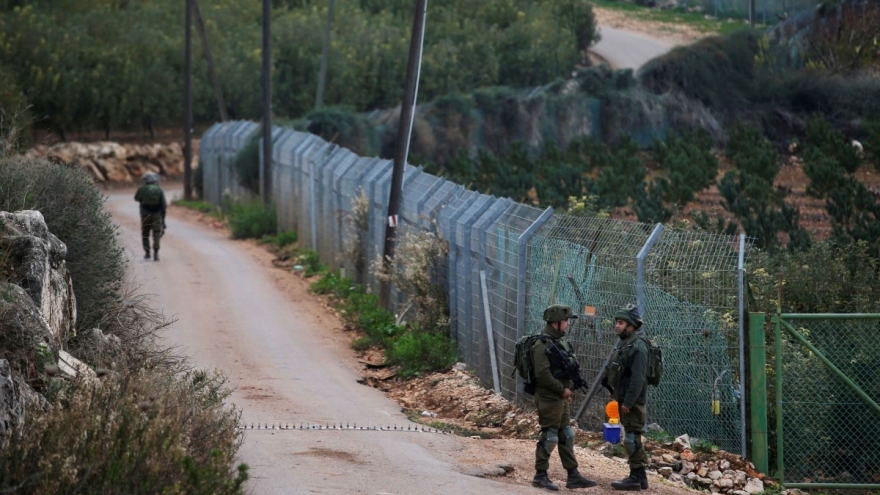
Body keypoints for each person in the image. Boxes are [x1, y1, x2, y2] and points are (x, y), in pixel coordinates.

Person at [531, 304, 598, 491]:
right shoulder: (541, 344)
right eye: (566, 321)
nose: (568, 324)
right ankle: (540, 475)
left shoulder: (560, 343)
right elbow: (542, 374)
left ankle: (573, 475)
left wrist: (566, 390)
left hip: (560, 397)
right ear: (556, 322)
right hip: (548, 397)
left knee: (567, 435)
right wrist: (562, 390)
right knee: (550, 436)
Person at [607, 304, 649, 491]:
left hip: (633, 402)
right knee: (632, 437)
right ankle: (640, 478)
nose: (617, 326)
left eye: (621, 323)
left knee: (632, 438)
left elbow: (638, 378)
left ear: (631, 326)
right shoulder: (626, 345)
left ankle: (635, 478)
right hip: (625, 399)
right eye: (617, 322)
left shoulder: (638, 347)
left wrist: (629, 402)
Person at [134, 172, 167, 261]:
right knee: (156, 233)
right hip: (156, 213)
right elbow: (163, 205)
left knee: (145, 233)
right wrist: (163, 219)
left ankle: (147, 252)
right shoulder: (159, 189)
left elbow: (136, 198)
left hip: (145, 213)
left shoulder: (141, 189)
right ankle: (156, 252)